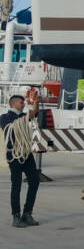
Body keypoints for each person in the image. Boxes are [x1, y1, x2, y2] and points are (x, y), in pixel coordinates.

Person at [1, 94, 41, 227]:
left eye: (23, 102)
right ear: (13, 104)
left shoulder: (24, 116)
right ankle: (16, 216)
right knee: (16, 185)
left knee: (34, 181)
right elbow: (11, 128)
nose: (23, 104)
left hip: (26, 154)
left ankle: (27, 213)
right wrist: (25, 119)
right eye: (21, 102)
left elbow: (33, 113)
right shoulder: (4, 117)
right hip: (14, 155)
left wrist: (36, 103)